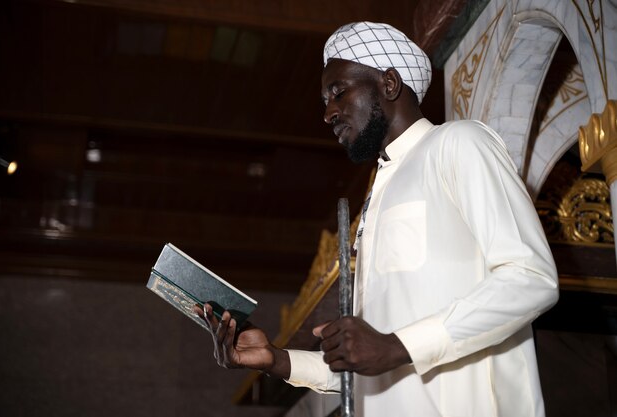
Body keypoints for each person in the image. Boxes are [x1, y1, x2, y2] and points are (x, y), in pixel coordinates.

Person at [195, 21, 559, 417]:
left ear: (388, 84)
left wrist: (396, 346)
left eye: (338, 92)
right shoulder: (376, 195)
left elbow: (530, 279)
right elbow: (372, 363)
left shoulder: (458, 143)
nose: (328, 112)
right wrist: (276, 359)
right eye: (324, 100)